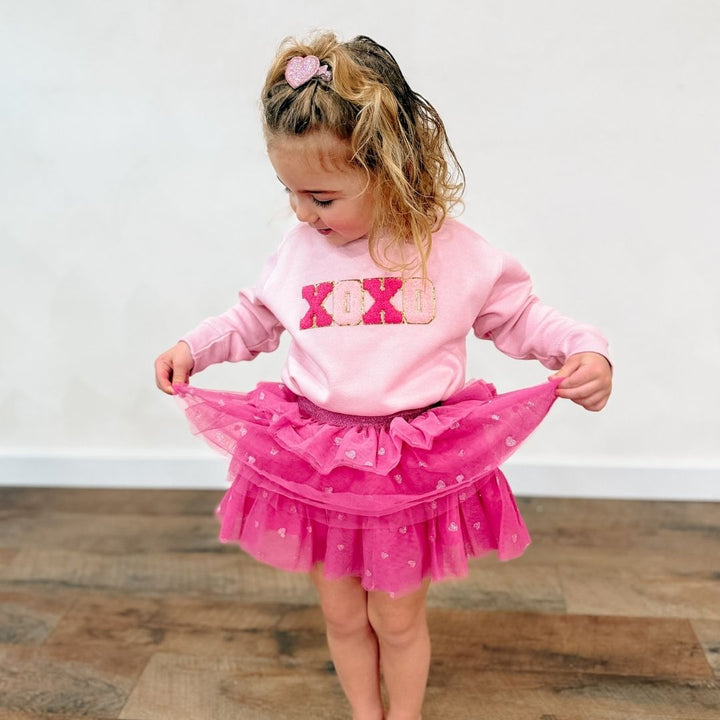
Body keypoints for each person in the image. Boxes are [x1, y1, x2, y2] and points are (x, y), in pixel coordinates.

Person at [154, 32, 612, 720]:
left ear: (388, 169)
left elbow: (519, 316)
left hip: (410, 463)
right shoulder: (298, 250)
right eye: (290, 192)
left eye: (321, 197)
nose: (302, 213)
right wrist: (196, 346)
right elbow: (254, 317)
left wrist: (584, 349)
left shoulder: (450, 252)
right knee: (342, 615)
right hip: (319, 457)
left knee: (396, 618)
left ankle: (405, 714)